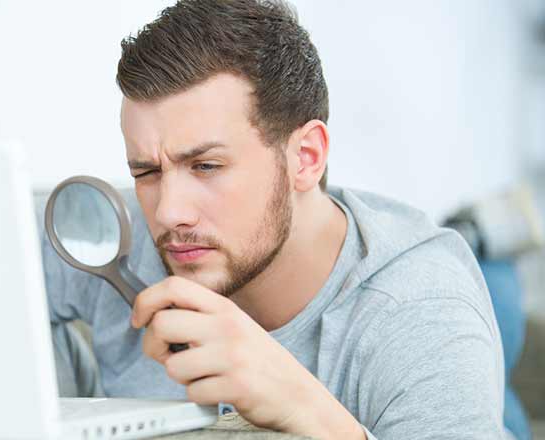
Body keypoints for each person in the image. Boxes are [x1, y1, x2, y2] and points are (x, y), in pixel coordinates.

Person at [40, 1, 507, 438]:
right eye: (146, 171)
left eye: (206, 167)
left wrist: (304, 409)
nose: (168, 212)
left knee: (501, 299)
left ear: (305, 157)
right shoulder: (111, 235)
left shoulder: (421, 314)